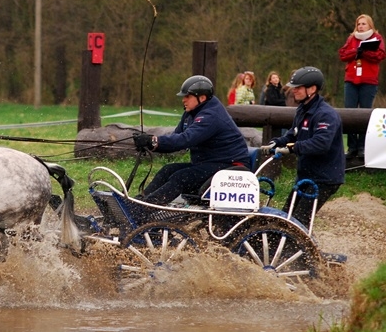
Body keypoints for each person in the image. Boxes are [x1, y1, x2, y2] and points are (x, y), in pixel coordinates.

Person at [133, 75, 250, 206]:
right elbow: (176, 138)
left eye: (187, 96)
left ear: (202, 98)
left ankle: (145, 209)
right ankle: (138, 202)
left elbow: (186, 139)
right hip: (210, 164)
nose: (183, 100)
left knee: (181, 177)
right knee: (167, 170)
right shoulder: (191, 113)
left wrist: (153, 141)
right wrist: (151, 143)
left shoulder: (210, 115)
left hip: (229, 166)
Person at [260, 66, 345, 230]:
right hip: (306, 174)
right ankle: (287, 248)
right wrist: (277, 143)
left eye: (298, 88)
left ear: (312, 89)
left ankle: (300, 254)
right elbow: (293, 134)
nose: (293, 91)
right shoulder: (302, 109)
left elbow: (321, 144)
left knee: (297, 224)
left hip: (324, 178)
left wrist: (292, 149)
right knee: (287, 217)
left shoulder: (326, 115)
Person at [338, 14, 386, 159]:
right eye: (359, 24)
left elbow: (380, 56)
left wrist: (364, 52)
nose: (360, 26)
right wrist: (356, 52)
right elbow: (343, 54)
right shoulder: (352, 38)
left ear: (370, 25)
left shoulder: (377, 38)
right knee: (350, 112)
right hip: (351, 80)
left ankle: (362, 147)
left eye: (364, 24)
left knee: (365, 113)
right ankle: (351, 147)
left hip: (368, 81)